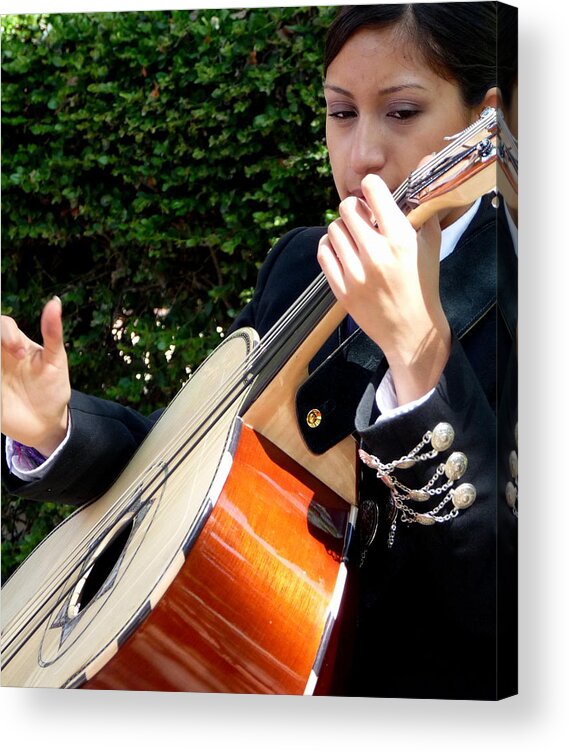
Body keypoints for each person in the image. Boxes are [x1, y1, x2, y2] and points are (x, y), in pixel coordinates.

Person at [1, 3, 517, 700]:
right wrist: (53, 432)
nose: (362, 152)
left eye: (400, 112)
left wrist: (419, 358)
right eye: (340, 113)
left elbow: (510, 617)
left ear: (482, 121)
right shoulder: (301, 264)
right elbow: (183, 459)